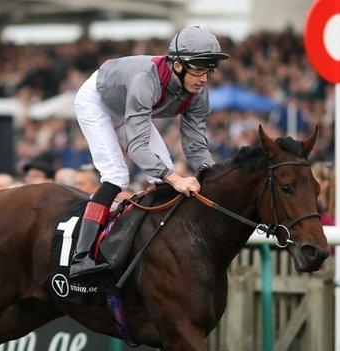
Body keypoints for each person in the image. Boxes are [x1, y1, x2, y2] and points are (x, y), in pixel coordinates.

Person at [71, 25, 229, 277]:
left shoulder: (199, 94)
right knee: (117, 175)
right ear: (178, 65)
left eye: (209, 70)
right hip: (97, 101)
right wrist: (175, 178)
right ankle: (81, 255)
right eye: (199, 69)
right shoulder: (146, 79)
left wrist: (213, 176)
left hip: (128, 107)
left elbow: (195, 144)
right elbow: (137, 146)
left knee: (161, 173)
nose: (204, 79)